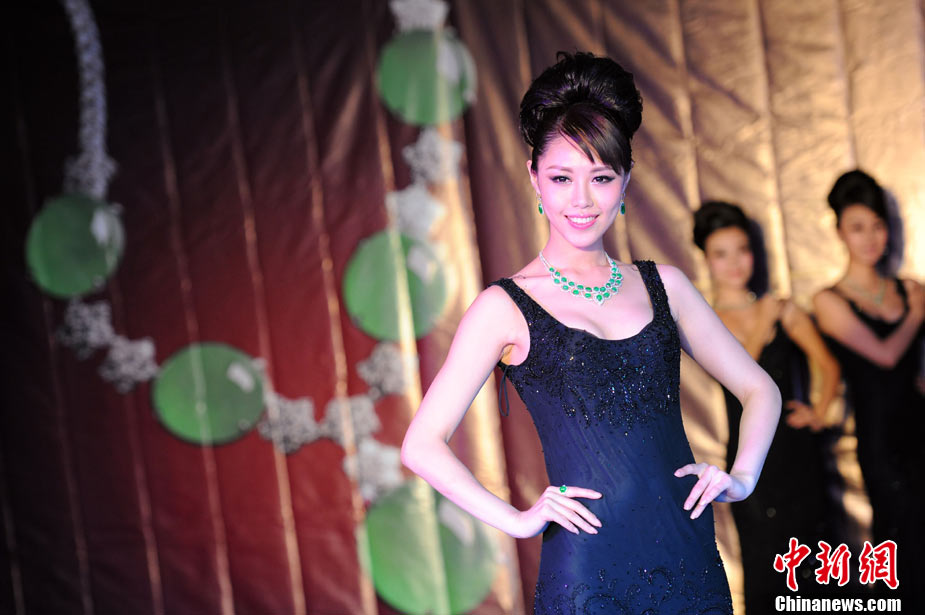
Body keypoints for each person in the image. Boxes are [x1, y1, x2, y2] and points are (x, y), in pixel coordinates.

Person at [401, 52, 780, 614]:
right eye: (562, 178)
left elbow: (760, 389)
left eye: (601, 178)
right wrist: (518, 519)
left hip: (688, 555)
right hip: (587, 568)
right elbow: (421, 445)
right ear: (534, 178)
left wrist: (742, 477)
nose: (581, 200)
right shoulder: (505, 307)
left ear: (625, 182)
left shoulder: (666, 287)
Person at [694, 201, 848, 609]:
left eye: (742, 250)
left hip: (798, 454)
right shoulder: (701, 320)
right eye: (721, 253)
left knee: (815, 565)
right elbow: (742, 373)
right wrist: (763, 322)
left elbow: (829, 366)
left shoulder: (783, 308)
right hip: (749, 460)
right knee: (766, 565)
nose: (734, 263)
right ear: (706, 259)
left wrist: (818, 411)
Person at [812, 170, 925, 608]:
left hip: (919, 427)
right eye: (858, 227)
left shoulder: (907, 290)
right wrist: (916, 315)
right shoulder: (829, 300)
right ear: (840, 231)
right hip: (881, 441)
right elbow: (885, 356)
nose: (870, 238)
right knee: (902, 538)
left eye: (878, 226)